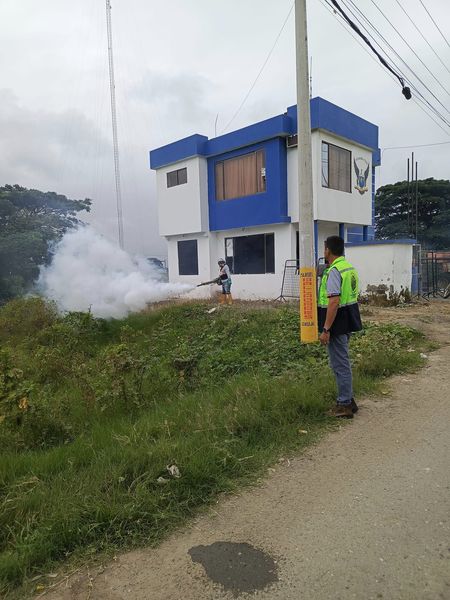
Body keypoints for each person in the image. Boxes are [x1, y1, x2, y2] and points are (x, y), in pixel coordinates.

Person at [318, 235, 362, 418]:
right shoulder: (348, 268)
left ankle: (344, 404)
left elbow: (334, 301)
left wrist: (326, 329)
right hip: (347, 319)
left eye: (324, 248)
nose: (324, 251)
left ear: (328, 250)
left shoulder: (335, 271)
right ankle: (349, 400)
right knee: (341, 362)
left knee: (340, 364)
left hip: (336, 323)